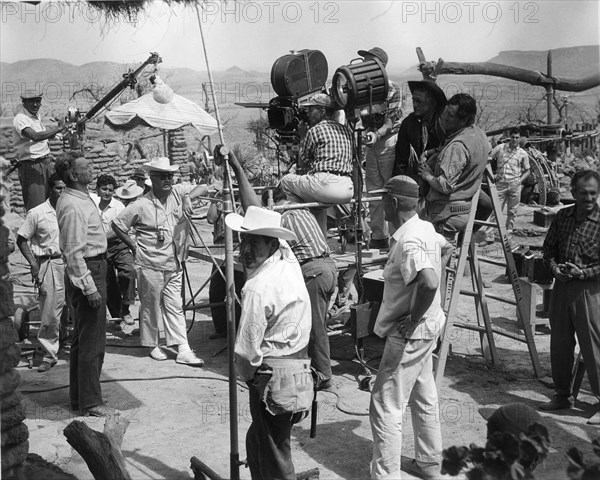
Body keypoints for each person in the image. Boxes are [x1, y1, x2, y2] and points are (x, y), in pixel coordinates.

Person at [221, 146, 313, 480]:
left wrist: (249, 379)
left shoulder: (258, 287)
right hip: (300, 369)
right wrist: (237, 169)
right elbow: (254, 210)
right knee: (259, 440)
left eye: (254, 245)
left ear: (271, 245)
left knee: (275, 453)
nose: (245, 251)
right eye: (243, 242)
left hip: (274, 376)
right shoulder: (285, 258)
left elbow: (246, 351)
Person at [369, 175, 451, 480]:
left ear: (392, 202)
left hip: (411, 333)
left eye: (382, 200)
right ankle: (430, 464)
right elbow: (446, 248)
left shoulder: (410, 239)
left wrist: (413, 316)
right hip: (429, 327)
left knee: (385, 404)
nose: (380, 205)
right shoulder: (425, 228)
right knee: (423, 394)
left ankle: (387, 476)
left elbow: (429, 281)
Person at [112, 157, 209, 365]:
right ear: (152, 179)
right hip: (150, 263)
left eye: (170, 176)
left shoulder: (177, 193)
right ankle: (152, 344)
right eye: (163, 176)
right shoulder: (140, 204)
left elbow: (204, 186)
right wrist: (132, 245)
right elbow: (118, 224)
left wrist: (188, 198)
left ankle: (182, 347)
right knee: (150, 306)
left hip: (174, 262)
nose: (168, 180)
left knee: (175, 305)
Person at [261, 185, 337, 389]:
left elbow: (274, 250)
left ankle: (323, 375)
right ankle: (317, 368)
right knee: (318, 322)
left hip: (314, 270)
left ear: (272, 203)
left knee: (314, 326)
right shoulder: (303, 209)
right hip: (328, 266)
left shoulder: (282, 217)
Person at [55, 153, 112, 417]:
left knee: (82, 338)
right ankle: (91, 402)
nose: (91, 169)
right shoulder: (73, 205)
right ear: (73, 176)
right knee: (92, 340)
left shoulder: (80, 198)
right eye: (85, 167)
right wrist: (90, 288)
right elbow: (72, 252)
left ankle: (80, 398)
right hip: (88, 270)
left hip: (94, 267)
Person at [540, 170, 600, 425]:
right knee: (560, 344)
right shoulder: (563, 216)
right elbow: (548, 249)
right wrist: (554, 268)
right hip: (562, 287)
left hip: (590, 289)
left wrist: (583, 272)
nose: (588, 198)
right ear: (573, 192)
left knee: (594, 347)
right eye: (583, 193)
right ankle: (563, 394)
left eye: (593, 193)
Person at [419, 93, 491, 240]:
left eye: (450, 115)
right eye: (445, 112)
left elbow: (444, 186)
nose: (444, 118)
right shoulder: (478, 134)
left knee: (437, 259)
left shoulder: (457, 147)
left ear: (464, 119)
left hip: (446, 213)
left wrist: (426, 174)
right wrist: (432, 152)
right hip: (464, 208)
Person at [16, 173, 67, 372]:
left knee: (73, 307)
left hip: (70, 262)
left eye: (64, 188)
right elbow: (21, 239)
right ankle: (48, 354)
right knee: (50, 312)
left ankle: (66, 340)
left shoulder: (69, 210)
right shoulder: (37, 213)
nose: (61, 192)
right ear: (50, 190)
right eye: (58, 188)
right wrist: (33, 264)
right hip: (49, 264)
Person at [357, 47, 403, 250]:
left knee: (390, 190)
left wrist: (377, 134)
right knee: (373, 192)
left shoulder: (392, 89)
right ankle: (378, 236)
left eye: (368, 61)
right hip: (371, 143)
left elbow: (390, 121)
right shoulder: (361, 90)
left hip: (387, 143)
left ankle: (397, 238)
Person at [280, 93, 354, 205]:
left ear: (322, 112)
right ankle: (316, 221)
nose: (307, 114)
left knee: (286, 181)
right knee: (316, 200)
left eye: (311, 110)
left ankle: (299, 216)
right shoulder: (346, 130)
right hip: (347, 188)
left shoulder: (315, 130)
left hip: (325, 186)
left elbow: (302, 162)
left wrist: (303, 137)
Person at [90, 175, 135, 329]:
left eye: (110, 190)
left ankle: (126, 307)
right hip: (100, 249)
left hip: (118, 245)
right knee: (108, 283)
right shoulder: (92, 205)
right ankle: (117, 317)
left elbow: (121, 229)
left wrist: (101, 236)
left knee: (128, 271)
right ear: (98, 190)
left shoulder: (119, 207)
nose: (107, 192)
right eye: (104, 189)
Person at [394, 79, 447, 208]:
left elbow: (450, 148)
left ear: (432, 103)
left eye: (419, 101)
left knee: (486, 205)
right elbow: (401, 157)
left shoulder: (444, 122)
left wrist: (430, 156)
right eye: (414, 100)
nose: (415, 105)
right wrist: (398, 185)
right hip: (422, 176)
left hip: (446, 176)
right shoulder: (409, 123)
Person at [12, 88, 67, 211]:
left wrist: (60, 134)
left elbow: (42, 137)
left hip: (45, 163)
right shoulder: (21, 118)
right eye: (31, 101)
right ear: (24, 102)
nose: (35, 104)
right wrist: (59, 129)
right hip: (32, 166)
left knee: (49, 202)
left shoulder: (35, 117)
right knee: (36, 207)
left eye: (38, 101)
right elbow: (35, 136)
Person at [480, 128, 530, 244]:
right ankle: (489, 236)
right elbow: (487, 160)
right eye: (513, 137)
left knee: (512, 211)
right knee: (495, 210)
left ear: (520, 138)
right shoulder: (500, 148)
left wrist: (519, 181)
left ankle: (508, 234)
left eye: (517, 138)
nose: (515, 140)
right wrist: (493, 175)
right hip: (500, 183)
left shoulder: (523, 153)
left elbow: (527, 171)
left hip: (515, 184)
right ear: (510, 137)